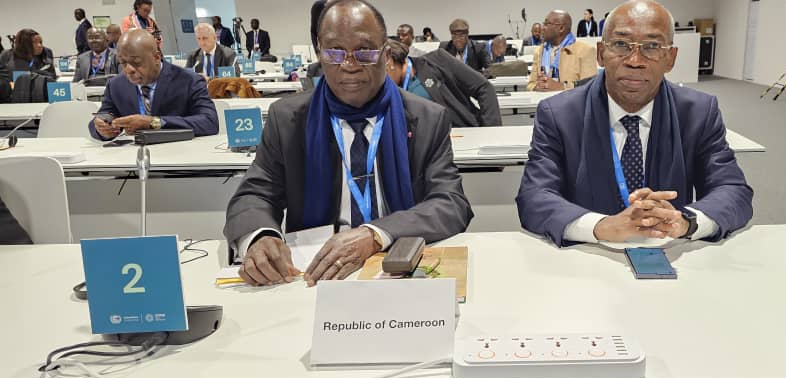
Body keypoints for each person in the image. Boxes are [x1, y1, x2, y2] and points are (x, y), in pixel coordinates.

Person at [225, 0, 472, 286]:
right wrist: (261, 236)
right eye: (335, 52)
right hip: (315, 273)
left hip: (395, 266)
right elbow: (254, 195)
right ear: (320, 53)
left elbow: (450, 202)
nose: (349, 65)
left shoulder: (426, 118)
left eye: (364, 51)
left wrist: (375, 234)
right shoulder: (288, 119)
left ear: (386, 55)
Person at [517, 0, 753, 247]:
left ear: (670, 58)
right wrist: (600, 226)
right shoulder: (559, 114)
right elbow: (534, 196)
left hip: (670, 251)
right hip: (587, 253)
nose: (635, 60)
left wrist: (686, 221)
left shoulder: (698, 112)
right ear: (600, 53)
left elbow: (733, 190)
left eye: (652, 46)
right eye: (621, 44)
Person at [89, 29, 218, 140]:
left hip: (180, 153)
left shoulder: (189, 81)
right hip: (133, 156)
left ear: (156, 58)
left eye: (136, 62)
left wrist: (155, 123)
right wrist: (102, 128)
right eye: (123, 63)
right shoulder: (116, 85)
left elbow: (209, 122)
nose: (129, 69)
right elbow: (102, 117)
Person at [385, 40, 500, 128]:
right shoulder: (390, 92)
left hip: (463, 134)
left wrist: (491, 132)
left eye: (382, 72)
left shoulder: (437, 60)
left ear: (390, 61)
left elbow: (484, 88)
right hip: (428, 147)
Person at [527, 11, 596, 92]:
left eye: (546, 24)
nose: (542, 28)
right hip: (543, 99)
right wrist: (537, 87)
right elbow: (531, 84)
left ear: (561, 28)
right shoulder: (539, 51)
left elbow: (590, 87)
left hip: (571, 100)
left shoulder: (585, 51)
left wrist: (562, 87)